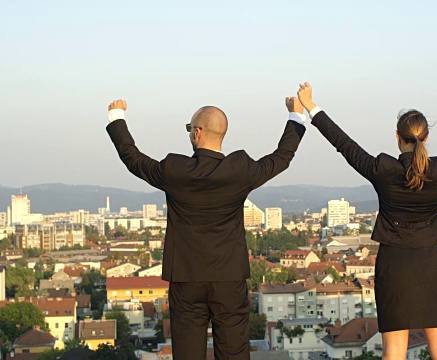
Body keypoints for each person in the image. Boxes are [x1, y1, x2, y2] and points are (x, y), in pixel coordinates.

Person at [296, 82, 437, 360]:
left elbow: (344, 144)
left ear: (397, 137)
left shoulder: (382, 169)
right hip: (430, 262)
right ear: (426, 138)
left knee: (394, 351)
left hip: (393, 264)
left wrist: (311, 106)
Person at [105, 97, 307, 360]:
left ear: (196, 132)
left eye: (190, 127)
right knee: (234, 353)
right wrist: (295, 116)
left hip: (186, 279)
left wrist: (117, 117)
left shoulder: (175, 170)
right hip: (229, 278)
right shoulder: (241, 170)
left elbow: (132, 158)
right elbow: (282, 157)